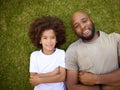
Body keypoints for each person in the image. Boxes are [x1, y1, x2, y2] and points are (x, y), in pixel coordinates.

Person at [65, 11, 120, 90]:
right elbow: (71, 87)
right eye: (76, 26)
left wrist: (96, 79)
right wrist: (105, 88)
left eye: (84, 21)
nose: (82, 26)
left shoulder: (115, 39)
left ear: (91, 20)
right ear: (74, 31)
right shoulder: (72, 50)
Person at [28, 16, 66, 90]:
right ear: (40, 40)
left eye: (52, 37)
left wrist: (40, 79)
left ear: (57, 39)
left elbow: (62, 77)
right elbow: (33, 79)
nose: (49, 42)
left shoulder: (61, 53)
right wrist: (54, 73)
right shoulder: (34, 55)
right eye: (45, 38)